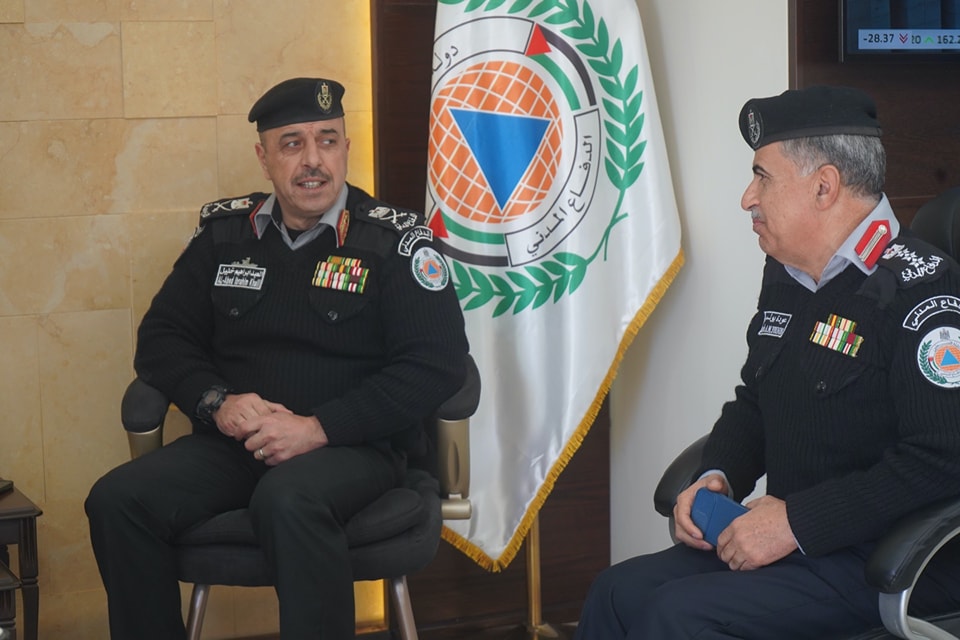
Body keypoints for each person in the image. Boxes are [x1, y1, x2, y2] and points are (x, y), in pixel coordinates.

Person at [85, 77, 470, 639]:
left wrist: (318, 427)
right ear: (263, 158)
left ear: (345, 149)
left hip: (352, 448)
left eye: (327, 140)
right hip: (235, 444)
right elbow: (163, 337)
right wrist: (216, 401)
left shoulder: (395, 242)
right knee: (117, 500)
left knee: (287, 498)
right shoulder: (224, 235)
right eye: (292, 143)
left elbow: (437, 364)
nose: (313, 160)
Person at [575, 85, 960, 638]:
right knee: (617, 592)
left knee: (677, 616)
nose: (747, 198)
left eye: (763, 177)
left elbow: (942, 460)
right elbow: (757, 398)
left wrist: (796, 523)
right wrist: (718, 474)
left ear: (824, 186)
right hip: (792, 542)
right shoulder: (787, 272)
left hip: (885, 558)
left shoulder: (923, 292)